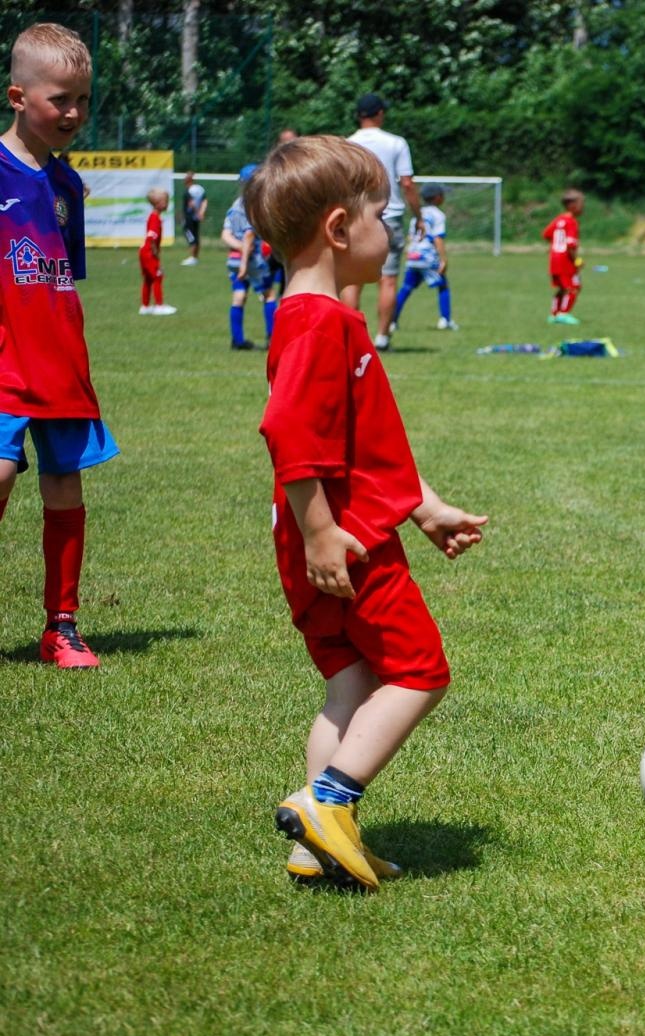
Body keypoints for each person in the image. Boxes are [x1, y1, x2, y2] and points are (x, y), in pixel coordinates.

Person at [246, 135, 487, 890]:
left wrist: (428, 506)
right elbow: (288, 430)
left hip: (327, 536)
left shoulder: (314, 317)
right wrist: (323, 528)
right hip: (348, 542)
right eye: (386, 215)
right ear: (341, 228)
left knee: (350, 684)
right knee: (420, 672)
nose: (396, 231)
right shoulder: (322, 322)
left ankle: (315, 844)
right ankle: (328, 804)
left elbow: (364, 444)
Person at [0, 22, 120, 669]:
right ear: (17, 95)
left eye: (82, 100)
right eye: (59, 100)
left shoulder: (69, 186)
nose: (73, 113)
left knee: (65, 486)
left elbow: (60, 279)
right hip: (3, 360)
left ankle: (62, 626)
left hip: (59, 364)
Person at [344, 92, 419, 351]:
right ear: (379, 114)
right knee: (387, 280)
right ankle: (382, 337)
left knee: (352, 279)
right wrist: (418, 216)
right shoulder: (396, 143)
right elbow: (407, 183)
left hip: (355, 216)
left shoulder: (348, 144)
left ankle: (352, 336)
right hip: (390, 216)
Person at [221, 164, 278, 351]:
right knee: (269, 294)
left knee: (239, 295)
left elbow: (226, 235)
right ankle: (272, 339)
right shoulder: (253, 206)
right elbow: (248, 236)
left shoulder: (234, 205)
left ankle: (237, 340)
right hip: (250, 259)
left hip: (233, 259)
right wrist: (246, 258)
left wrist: (237, 250)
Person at [391, 182, 455, 332]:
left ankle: (392, 321)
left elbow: (412, 236)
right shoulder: (438, 215)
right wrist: (443, 259)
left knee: (406, 288)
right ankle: (445, 320)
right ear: (438, 197)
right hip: (428, 257)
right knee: (442, 286)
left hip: (414, 255)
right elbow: (438, 238)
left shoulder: (417, 214)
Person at [542, 188, 583, 325]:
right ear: (573, 205)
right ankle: (563, 314)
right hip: (565, 259)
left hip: (554, 258)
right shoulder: (571, 222)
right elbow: (570, 245)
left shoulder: (558, 219)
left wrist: (554, 246)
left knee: (562, 288)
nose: (583, 207)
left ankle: (554, 314)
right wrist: (577, 260)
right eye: (581, 204)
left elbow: (546, 234)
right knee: (574, 287)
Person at [138, 187, 176, 315]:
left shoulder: (153, 216)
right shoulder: (155, 218)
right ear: (158, 203)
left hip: (144, 251)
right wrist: (155, 253)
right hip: (149, 252)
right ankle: (159, 306)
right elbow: (151, 237)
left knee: (148, 279)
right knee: (158, 277)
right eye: (166, 201)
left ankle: (145, 306)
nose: (168, 203)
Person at [180, 169, 205, 265]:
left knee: (190, 236)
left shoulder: (189, 190)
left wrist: (197, 212)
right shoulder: (200, 189)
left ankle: (192, 258)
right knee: (196, 236)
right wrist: (201, 213)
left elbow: (191, 203)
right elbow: (204, 201)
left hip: (189, 217)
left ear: (189, 179)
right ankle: (195, 257)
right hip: (196, 218)